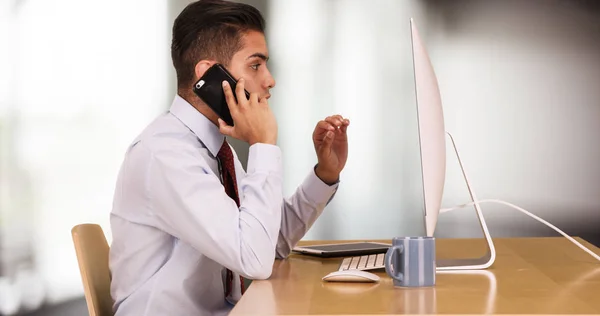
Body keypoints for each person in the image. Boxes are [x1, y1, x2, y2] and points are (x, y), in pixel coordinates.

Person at [108, 0, 350, 315]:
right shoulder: (167, 155)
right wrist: (263, 144)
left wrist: (324, 174)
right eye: (255, 65)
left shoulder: (214, 149)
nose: (269, 80)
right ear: (209, 74)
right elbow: (254, 259)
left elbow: (267, 242)